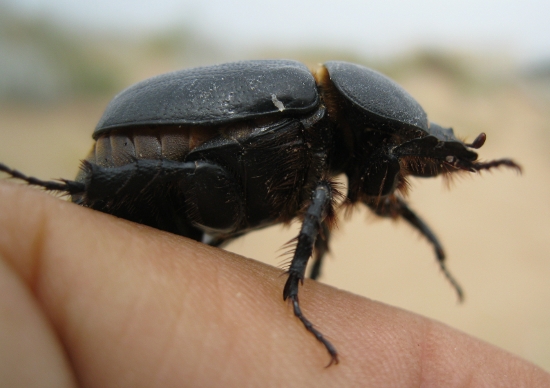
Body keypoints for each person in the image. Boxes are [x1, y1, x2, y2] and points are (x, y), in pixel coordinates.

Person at [0, 181, 548, 387]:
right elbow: (322, 208)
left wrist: (437, 251)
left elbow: (362, 202)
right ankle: (59, 186)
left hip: (199, 176)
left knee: (319, 201)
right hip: (153, 152)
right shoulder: (307, 121)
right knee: (315, 200)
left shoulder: (327, 159)